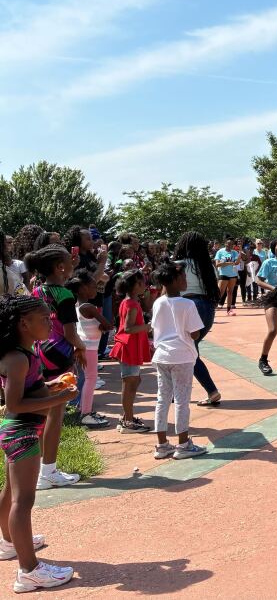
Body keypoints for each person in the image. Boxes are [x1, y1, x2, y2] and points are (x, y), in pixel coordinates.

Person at [0, 294, 76, 592]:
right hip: (23, 431)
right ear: (24, 323)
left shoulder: (20, 353)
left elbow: (28, 390)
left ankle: (8, 542)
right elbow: (15, 404)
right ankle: (29, 571)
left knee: (11, 491)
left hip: (16, 431)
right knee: (24, 500)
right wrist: (60, 398)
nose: (50, 321)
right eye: (44, 318)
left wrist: (51, 386)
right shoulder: (19, 358)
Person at [24, 244, 82, 490]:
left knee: (40, 414)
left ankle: (36, 470)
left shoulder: (36, 290)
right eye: (69, 262)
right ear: (60, 267)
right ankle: (49, 471)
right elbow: (70, 333)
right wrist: (82, 349)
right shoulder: (65, 295)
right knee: (55, 416)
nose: (72, 264)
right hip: (60, 356)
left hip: (37, 354)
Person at [150, 263, 208, 460]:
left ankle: (161, 445)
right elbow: (195, 333)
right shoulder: (188, 304)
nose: (185, 280)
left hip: (161, 355)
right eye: (183, 277)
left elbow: (155, 327)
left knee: (162, 398)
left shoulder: (158, 302)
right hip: (181, 356)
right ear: (174, 280)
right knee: (182, 400)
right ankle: (183, 444)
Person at [174, 232, 222, 407]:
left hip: (187, 306)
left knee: (188, 352)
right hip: (206, 307)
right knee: (190, 350)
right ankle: (177, 391)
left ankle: (211, 390)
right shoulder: (207, 265)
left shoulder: (178, 265)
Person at [66, 272, 111, 428]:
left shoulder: (77, 305)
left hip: (81, 345)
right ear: (82, 289)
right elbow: (108, 325)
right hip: (89, 347)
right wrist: (103, 326)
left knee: (83, 379)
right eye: (93, 286)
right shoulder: (89, 307)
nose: (96, 289)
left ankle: (80, 409)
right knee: (91, 379)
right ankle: (86, 413)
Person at [110, 270, 152, 434]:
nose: (144, 285)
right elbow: (128, 328)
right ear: (134, 286)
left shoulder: (128, 301)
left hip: (129, 347)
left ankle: (127, 416)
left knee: (134, 381)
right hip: (128, 348)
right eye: (141, 283)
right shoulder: (132, 304)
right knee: (129, 384)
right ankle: (128, 421)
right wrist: (147, 326)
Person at [253, 239, 277, 377]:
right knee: (273, 330)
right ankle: (263, 359)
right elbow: (258, 280)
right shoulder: (269, 262)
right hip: (273, 299)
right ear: (273, 248)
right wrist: (273, 288)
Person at [214, 238, 239, 316]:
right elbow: (217, 264)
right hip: (223, 274)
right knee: (220, 292)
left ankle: (229, 310)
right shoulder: (220, 252)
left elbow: (236, 263)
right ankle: (212, 307)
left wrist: (240, 255)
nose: (229, 245)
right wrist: (228, 263)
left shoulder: (234, 252)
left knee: (230, 292)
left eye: (231, 244)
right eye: (228, 244)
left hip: (233, 274)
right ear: (225, 244)